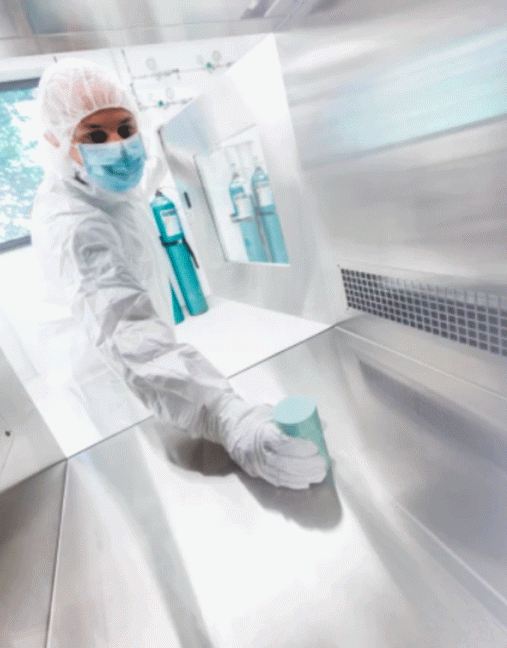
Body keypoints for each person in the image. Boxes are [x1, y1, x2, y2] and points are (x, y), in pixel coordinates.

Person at [31, 58, 327, 489]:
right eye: (95, 135)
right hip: (113, 381)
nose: (118, 146)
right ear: (58, 143)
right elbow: (130, 338)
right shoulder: (77, 227)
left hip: (151, 364)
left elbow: (141, 181)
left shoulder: (110, 189)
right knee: (160, 485)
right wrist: (226, 415)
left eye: (126, 129)